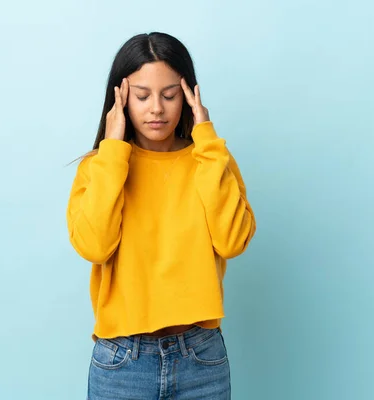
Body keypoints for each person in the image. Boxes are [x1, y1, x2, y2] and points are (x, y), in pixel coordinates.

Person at [66, 31, 256, 400]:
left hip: (202, 358)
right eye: (142, 96)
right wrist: (113, 150)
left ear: (189, 97)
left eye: (169, 95)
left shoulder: (210, 159)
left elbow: (232, 241)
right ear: (120, 99)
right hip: (122, 362)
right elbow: (94, 246)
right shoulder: (100, 168)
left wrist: (207, 138)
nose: (156, 108)